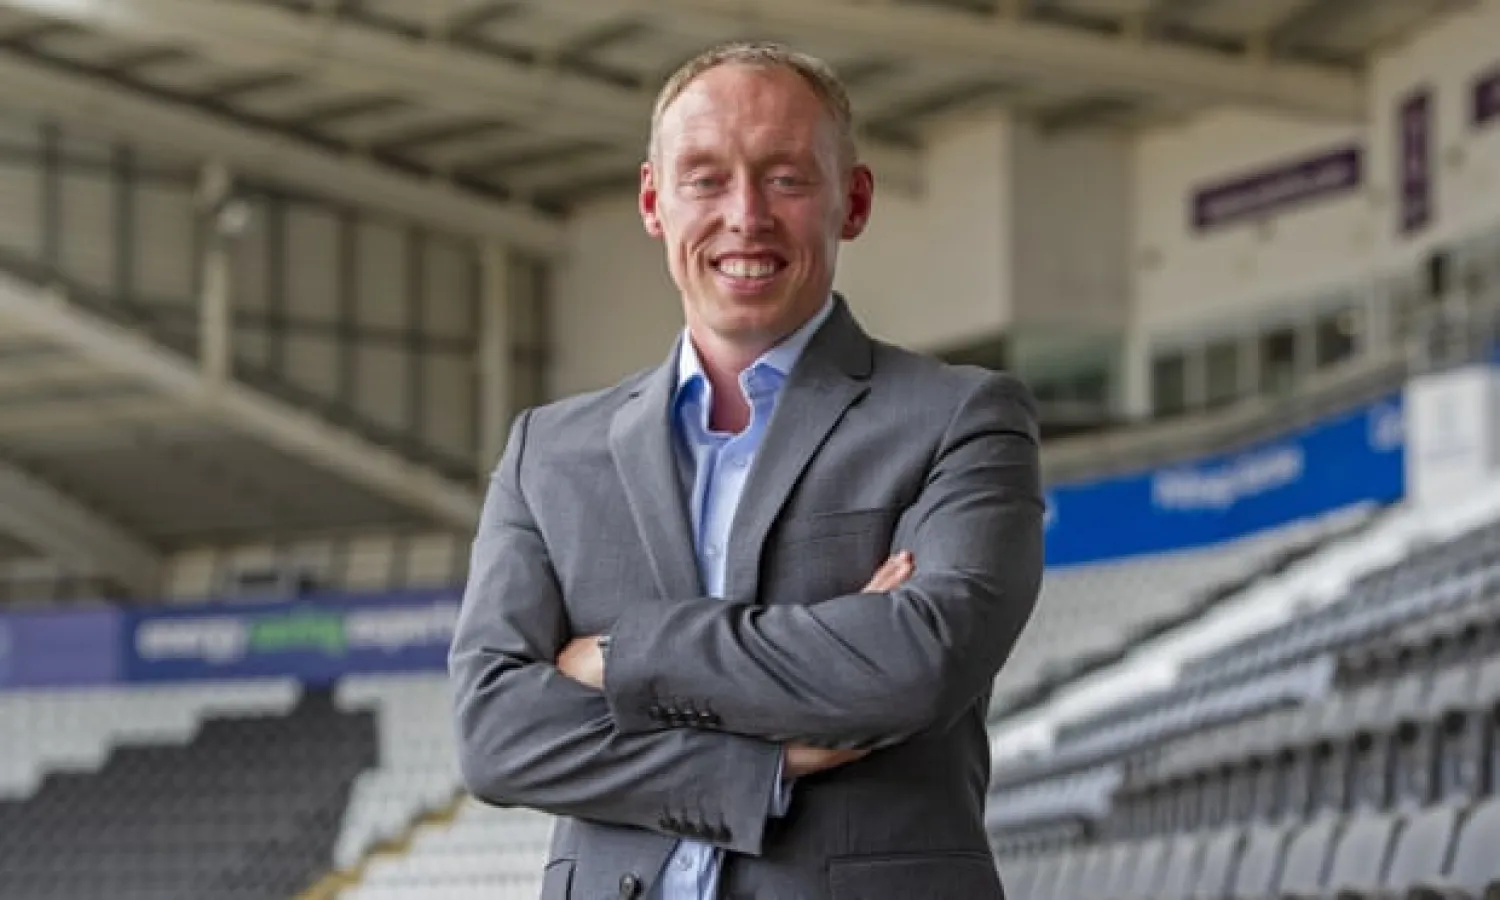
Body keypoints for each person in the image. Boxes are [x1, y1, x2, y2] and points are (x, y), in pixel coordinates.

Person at [448, 40, 1044, 900]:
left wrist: (621, 658)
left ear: (855, 200)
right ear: (654, 202)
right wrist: (766, 765)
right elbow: (495, 732)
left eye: (786, 178)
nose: (746, 215)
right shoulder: (548, 452)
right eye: (705, 178)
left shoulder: (961, 416)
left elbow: (918, 661)